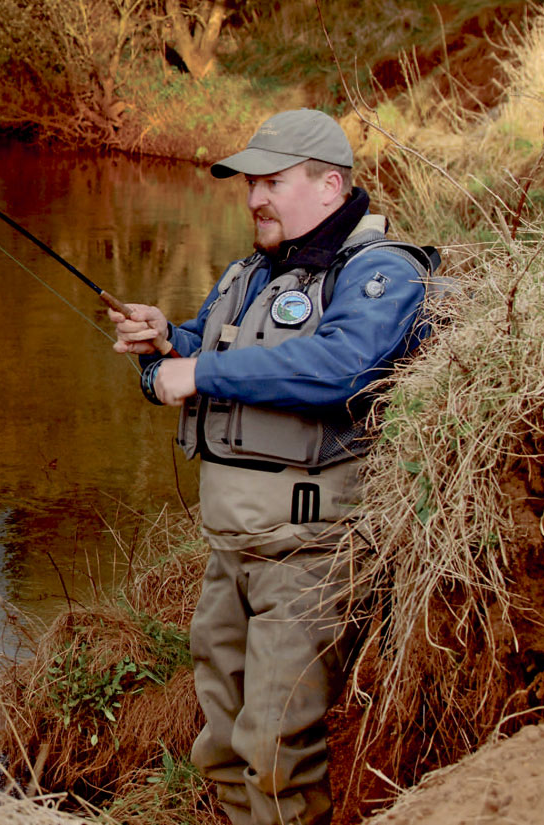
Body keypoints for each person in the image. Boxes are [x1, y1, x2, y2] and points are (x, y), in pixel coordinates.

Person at [108, 108, 432, 825]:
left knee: (277, 749)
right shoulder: (252, 271)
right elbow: (201, 350)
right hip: (231, 552)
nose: (254, 198)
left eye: (272, 182)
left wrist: (199, 371)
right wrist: (166, 342)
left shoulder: (382, 271)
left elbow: (343, 367)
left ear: (330, 185)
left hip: (311, 555)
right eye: (250, 184)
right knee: (222, 743)